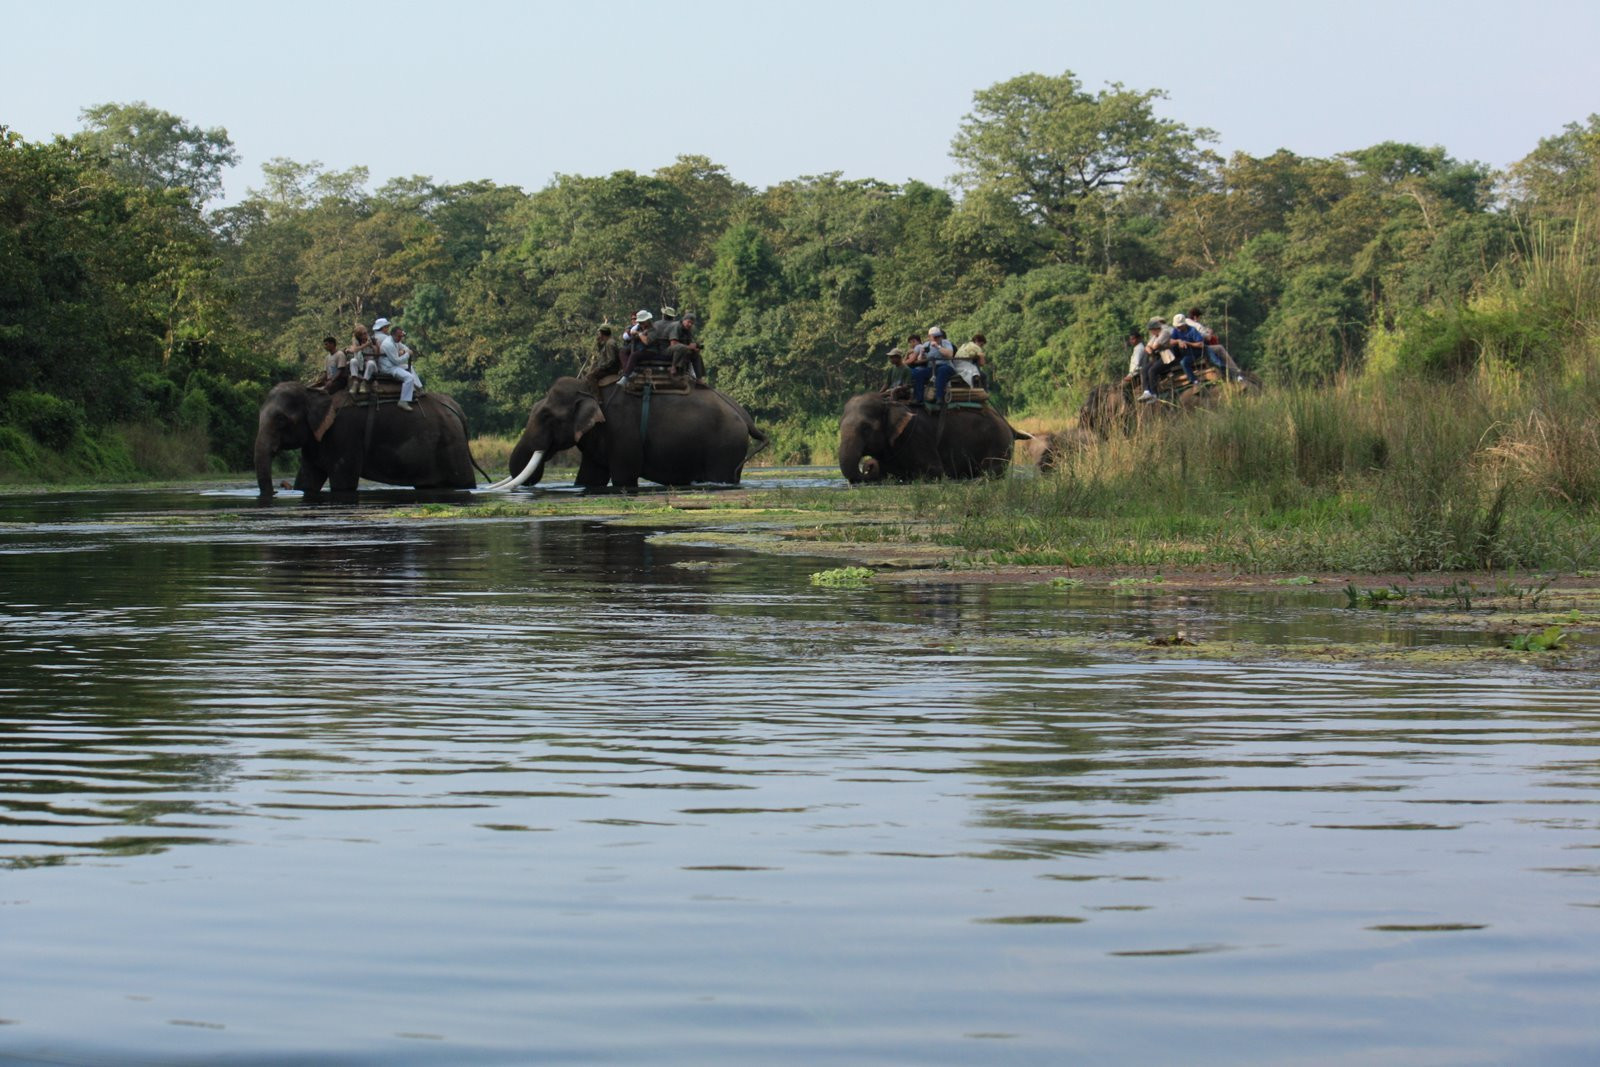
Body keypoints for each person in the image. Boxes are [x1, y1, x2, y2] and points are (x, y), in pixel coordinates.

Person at [358, 316, 425, 410]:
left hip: (391, 363)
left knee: (409, 367)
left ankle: (418, 387)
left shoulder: (391, 339)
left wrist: (405, 350)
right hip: (388, 367)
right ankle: (404, 400)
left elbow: (402, 346)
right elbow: (397, 360)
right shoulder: (387, 342)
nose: (400, 338)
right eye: (386, 327)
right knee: (408, 377)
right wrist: (407, 354)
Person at [1186, 306, 1245, 382]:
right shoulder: (1196, 325)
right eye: (1199, 317)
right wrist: (1210, 332)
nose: (1199, 319)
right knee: (1220, 348)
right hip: (1200, 349)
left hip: (1188, 350)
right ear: (1195, 317)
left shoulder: (1184, 322)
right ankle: (1234, 370)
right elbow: (1208, 338)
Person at [908, 326, 955, 407]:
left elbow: (950, 354)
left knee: (942, 371)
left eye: (939, 336)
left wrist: (938, 346)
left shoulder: (945, 342)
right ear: (929, 337)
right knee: (918, 374)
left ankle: (939, 397)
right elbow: (920, 359)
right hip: (932, 368)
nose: (938, 338)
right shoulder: (926, 345)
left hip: (946, 367)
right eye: (935, 337)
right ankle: (918, 399)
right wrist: (922, 353)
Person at [617, 310, 658, 385]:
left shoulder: (653, 330)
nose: (640, 324)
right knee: (622, 351)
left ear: (647, 321)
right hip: (638, 348)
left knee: (634, 355)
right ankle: (629, 371)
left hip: (649, 351)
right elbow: (628, 336)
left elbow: (646, 342)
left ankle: (626, 376)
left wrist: (639, 334)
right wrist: (632, 333)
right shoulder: (638, 327)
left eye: (642, 322)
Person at [1169, 313, 1208, 386]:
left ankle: (1194, 381)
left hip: (1195, 351)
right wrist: (1178, 341)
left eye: (1180, 327)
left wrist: (1187, 343)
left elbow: (1201, 344)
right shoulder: (1176, 330)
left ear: (1184, 325)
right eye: (1177, 326)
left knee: (1184, 362)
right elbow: (1171, 341)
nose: (1178, 328)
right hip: (1184, 352)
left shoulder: (1192, 330)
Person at [345, 324, 379, 396]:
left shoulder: (372, 339)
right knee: (353, 361)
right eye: (363, 334)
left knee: (370, 363)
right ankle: (355, 381)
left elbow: (376, 353)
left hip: (370, 363)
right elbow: (355, 349)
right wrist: (365, 345)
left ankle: (364, 382)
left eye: (366, 333)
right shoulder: (356, 340)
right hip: (360, 363)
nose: (365, 335)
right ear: (359, 336)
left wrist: (371, 345)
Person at [1126, 329, 1158, 402]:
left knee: (1125, 388)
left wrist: (1130, 375)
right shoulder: (1137, 348)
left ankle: (1129, 404)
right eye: (1131, 339)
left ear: (1139, 338)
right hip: (1135, 372)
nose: (1131, 341)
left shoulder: (1139, 348)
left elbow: (1136, 364)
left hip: (1136, 374)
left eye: (1133, 339)